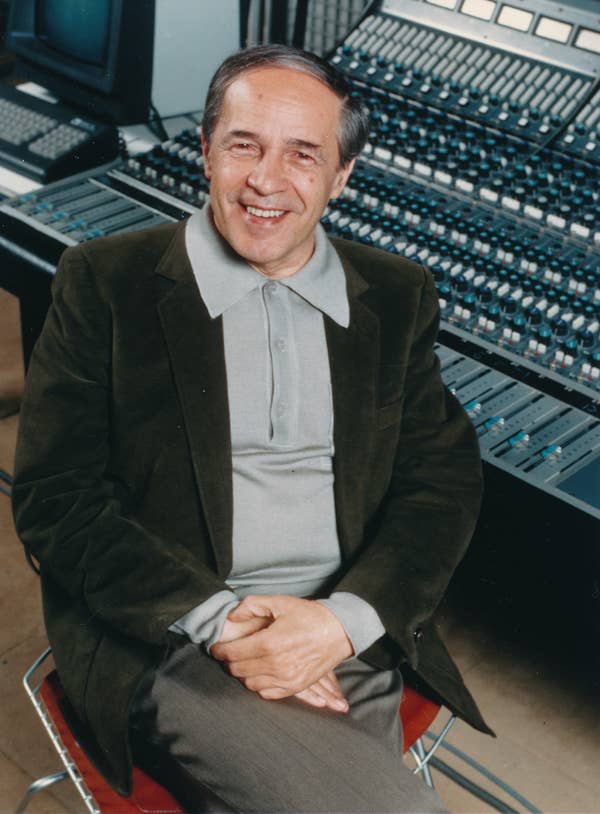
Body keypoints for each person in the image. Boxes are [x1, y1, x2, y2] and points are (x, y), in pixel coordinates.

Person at [13, 44, 491, 813]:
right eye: (244, 145)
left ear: (341, 175)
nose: (267, 181)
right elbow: (57, 500)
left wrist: (342, 623)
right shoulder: (104, 282)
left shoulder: (396, 294)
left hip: (345, 624)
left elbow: (441, 480)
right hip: (176, 635)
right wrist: (223, 621)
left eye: (303, 154)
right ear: (205, 151)